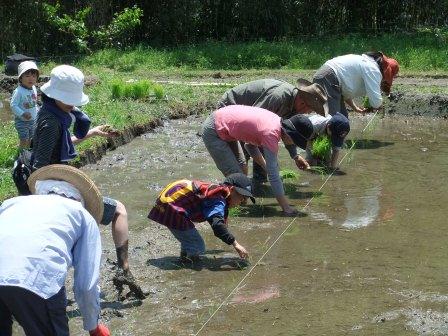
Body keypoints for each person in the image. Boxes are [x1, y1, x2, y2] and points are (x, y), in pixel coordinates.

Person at [31, 64, 144, 299]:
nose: (74, 105)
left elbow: (54, 150)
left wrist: (90, 133)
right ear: (55, 95)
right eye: (69, 100)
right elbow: (40, 165)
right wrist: (62, 191)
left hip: (54, 185)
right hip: (55, 189)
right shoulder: (51, 122)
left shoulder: (52, 113)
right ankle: (124, 270)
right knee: (118, 211)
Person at [0, 164, 110, 336]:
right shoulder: (82, 215)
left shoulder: (11, 203)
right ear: (79, 199)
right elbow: (86, 285)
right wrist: (93, 326)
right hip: (35, 280)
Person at [201, 105, 314, 215]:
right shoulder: (271, 134)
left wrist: (267, 168)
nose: (293, 145)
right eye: (295, 142)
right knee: (235, 175)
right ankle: (210, 205)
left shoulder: (276, 122)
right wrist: (286, 207)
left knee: (242, 166)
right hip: (214, 130)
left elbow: (249, 146)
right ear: (290, 135)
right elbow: (274, 176)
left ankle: (239, 205)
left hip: (223, 123)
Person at [217, 78, 328, 183]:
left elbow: (287, 133)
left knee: (260, 148)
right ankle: (236, 189)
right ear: (303, 103)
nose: (308, 113)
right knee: (241, 158)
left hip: (247, 116)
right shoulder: (278, 98)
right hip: (230, 108)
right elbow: (255, 125)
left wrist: (295, 156)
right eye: (311, 110)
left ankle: (258, 182)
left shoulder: (295, 107)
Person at [148, 173, 254, 262]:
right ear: (231, 189)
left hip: (169, 202)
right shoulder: (218, 200)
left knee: (190, 240)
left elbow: (219, 222)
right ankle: (188, 268)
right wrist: (236, 244)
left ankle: (184, 259)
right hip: (172, 207)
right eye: (242, 198)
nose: (242, 202)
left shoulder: (217, 191)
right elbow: (217, 225)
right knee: (198, 246)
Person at [313, 52, 399, 118]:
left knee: (343, 120)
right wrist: (379, 106)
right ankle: (324, 140)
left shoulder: (367, 64)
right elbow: (376, 102)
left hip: (329, 78)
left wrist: (355, 107)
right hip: (328, 78)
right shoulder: (373, 69)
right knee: (334, 121)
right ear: (385, 71)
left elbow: (345, 90)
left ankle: (330, 140)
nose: (383, 81)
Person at [10, 61, 39, 149]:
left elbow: (34, 103)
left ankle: (28, 152)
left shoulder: (34, 88)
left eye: (34, 76)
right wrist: (22, 113)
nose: (31, 79)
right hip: (22, 121)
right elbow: (13, 105)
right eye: (27, 76)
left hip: (33, 120)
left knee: (31, 138)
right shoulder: (19, 91)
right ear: (20, 78)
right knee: (24, 139)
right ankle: (21, 155)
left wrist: (38, 110)